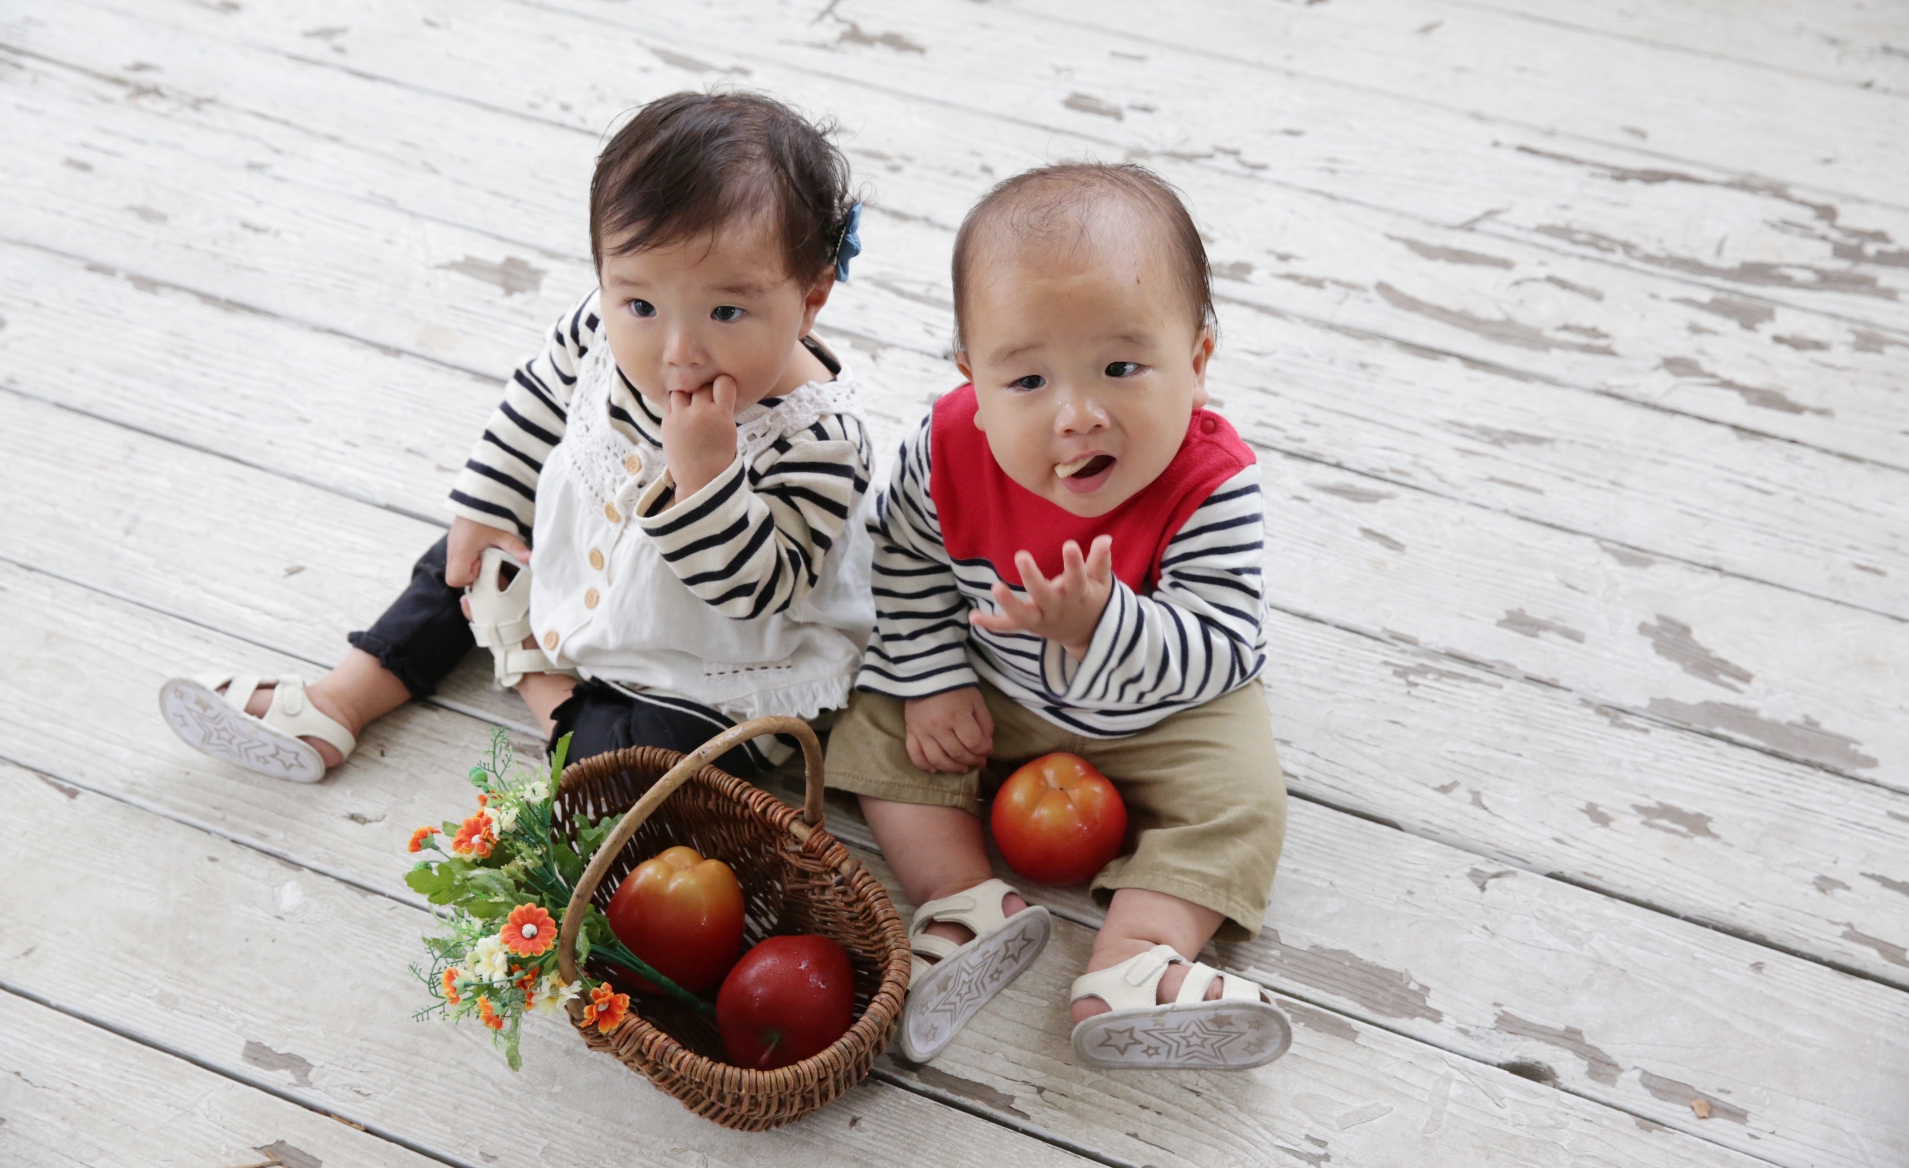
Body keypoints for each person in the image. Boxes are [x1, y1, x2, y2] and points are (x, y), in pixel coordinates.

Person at [160, 91, 874, 783]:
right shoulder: (604, 329)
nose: (677, 350)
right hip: (594, 560)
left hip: (705, 663)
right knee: (462, 557)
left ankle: (535, 673)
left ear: (810, 300)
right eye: (640, 303)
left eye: (725, 311)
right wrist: (486, 507)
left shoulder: (820, 441)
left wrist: (707, 476)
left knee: (639, 776)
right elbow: (538, 403)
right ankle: (338, 701)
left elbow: (755, 593)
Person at [826, 163, 1291, 1070]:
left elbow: (1228, 647)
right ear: (974, 377)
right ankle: (963, 902)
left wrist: (1103, 628)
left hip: (1165, 712)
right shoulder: (948, 448)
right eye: (1029, 380)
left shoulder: (1213, 486)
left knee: (1242, 800)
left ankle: (1131, 959)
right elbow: (905, 561)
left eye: (1122, 367)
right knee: (874, 726)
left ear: (1196, 363)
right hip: (995, 682)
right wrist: (935, 680)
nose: (1078, 415)